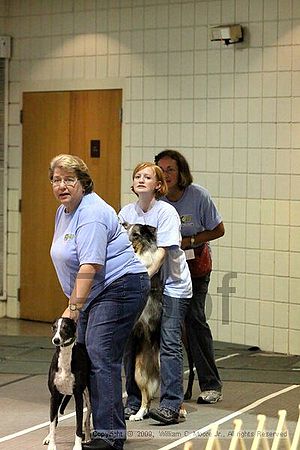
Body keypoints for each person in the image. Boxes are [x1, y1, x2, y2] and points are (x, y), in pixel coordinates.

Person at [49, 154, 150, 450]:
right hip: (96, 291)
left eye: (69, 180)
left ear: (83, 183)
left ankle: (110, 437)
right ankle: (92, 430)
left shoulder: (91, 212)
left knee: (99, 351)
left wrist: (72, 310)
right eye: (56, 180)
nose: (62, 185)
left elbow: (89, 266)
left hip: (121, 286)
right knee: (86, 354)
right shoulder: (64, 211)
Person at [118, 162, 192, 425]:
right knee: (133, 343)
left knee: (169, 342)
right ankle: (135, 401)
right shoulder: (127, 212)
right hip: (141, 287)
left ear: (158, 185)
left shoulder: (166, 213)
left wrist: (140, 279)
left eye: (147, 177)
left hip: (172, 286)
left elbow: (161, 254)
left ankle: (171, 403)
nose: (140, 180)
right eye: (137, 175)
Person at [154, 149, 225, 404]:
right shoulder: (156, 201)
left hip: (195, 267)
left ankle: (211, 384)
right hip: (164, 270)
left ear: (181, 171)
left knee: (195, 321)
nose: (166, 174)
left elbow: (218, 230)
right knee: (164, 327)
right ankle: (159, 385)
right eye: (161, 170)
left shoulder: (198, 196)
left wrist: (189, 240)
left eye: (170, 169)